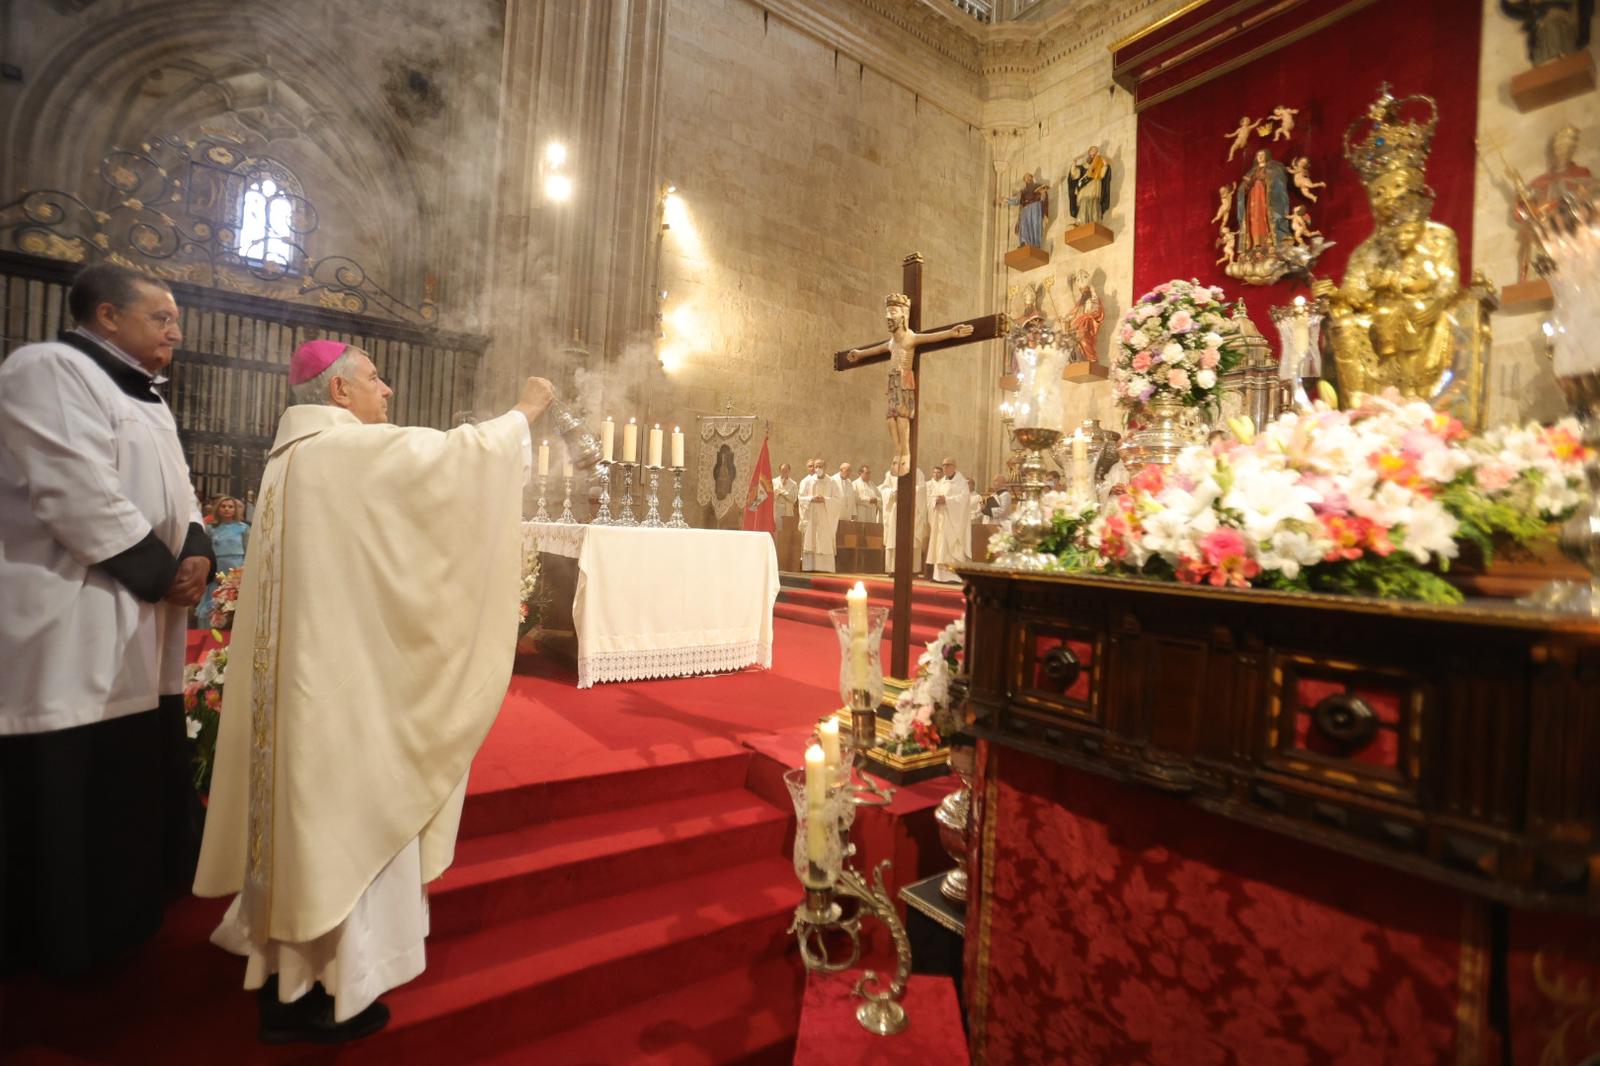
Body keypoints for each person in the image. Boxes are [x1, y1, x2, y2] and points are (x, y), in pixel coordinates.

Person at [194, 338, 552, 1043]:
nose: (386, 390)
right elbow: (455, 463)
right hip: (336, 693)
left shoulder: (295, 459)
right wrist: (523, 413)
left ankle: (290, 976)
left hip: (308, 683)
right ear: (337, 393)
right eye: (373, 379)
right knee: (338, 822)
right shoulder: (341, 452)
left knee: (305, 828)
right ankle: (321, 989)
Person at [0, 263, 214, 978]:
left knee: (128, 765)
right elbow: (73, 490)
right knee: (69, 776)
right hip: (70, 609)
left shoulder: (150, 399)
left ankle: (126, 913)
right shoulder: (47, 368)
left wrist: (197, 551)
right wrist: (162, 573)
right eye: (161, 316)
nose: (175, 330)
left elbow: (182, 491)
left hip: (136, 618)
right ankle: (62, 938)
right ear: (107, 316)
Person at [197, 497, 249, 628]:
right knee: (214, 604)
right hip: (216, 569)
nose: (227, 509)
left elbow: (248, 552)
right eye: (223, 506)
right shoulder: (210, 529)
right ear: (218, 509)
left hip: (236, 570)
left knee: (234, 606)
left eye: (230, 506)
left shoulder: (243, 528)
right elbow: (205, 552)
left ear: (235, 509)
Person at [926, 457, 971, 583]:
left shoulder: (962, 482)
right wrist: (936, 500)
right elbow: (932, 498)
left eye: (948, 465)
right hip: (941, 520)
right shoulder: (941, 482)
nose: (945, 467)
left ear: (954, 467)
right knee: (940, 546)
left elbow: (964, 499)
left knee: (951, 547)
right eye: (943, 465)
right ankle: (938, 576)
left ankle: (953, 577)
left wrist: (947, 500)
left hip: (954, 522)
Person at [796, 457, 841, 572]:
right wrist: (811, 498)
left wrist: (825, 500)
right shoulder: (808, 481)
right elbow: (801, 498)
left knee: (824, 540)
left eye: (820, 466)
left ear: (825, 468)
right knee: (810, 540)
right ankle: (809, 567)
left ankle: (825, 568)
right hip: (811, 515)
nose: (818, 468)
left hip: (825, 517)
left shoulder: (832, 482)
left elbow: (838, 499)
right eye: (816, 466)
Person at [879, 465, 927, 574]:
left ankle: (912, 570)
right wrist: (892, 493)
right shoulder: (892, 472)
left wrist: (907, 490)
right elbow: (884, 489)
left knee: (912, 539)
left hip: (912, 509)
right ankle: (893, 569)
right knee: (894, 538)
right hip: (896, 509)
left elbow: (922, 489)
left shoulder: (918, 472)